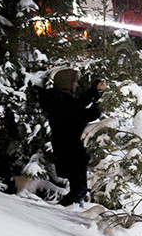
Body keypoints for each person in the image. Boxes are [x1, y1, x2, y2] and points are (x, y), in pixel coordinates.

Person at [38, 67, 104, 206]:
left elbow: (78, 103)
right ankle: (61, 212)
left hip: (64, 149)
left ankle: (65, 209)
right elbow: (89, 114)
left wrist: (93, 90)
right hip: (71, 152)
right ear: (67, 84)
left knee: (77, 189)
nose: (77, 85)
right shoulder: (64, 104)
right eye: (75, 82)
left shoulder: (57, 98)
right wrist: (100, 98)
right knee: (79, 190)